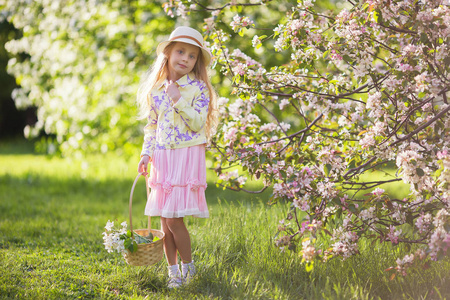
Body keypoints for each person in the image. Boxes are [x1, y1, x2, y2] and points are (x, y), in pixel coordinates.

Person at [136, 26, 218, 289]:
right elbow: (152, 126)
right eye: (180, 51)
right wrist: (146, 154)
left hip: (185, 156)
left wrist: (178, 100)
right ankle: (174, 274)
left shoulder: (198, 88)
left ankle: (189, 269)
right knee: (164, 217)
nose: (185, 58)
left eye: (192, 56)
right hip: (163, 156)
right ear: (168, 53)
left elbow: (197, 124)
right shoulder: (156, 89)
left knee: (174, 219)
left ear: (197, 61)